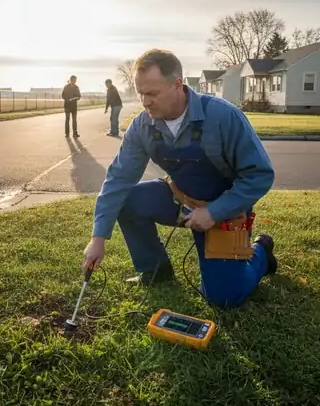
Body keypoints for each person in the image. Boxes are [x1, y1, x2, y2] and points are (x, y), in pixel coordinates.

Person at [81, 48, 278, 308]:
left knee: (225, 297)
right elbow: (118, 180)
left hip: (225, 212)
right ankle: (155, 271)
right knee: (127, 199)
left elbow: (260, 175)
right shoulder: (142, 126)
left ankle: (262, 250)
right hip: (180, 200)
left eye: (152, 93)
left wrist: (214, 212)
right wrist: (98, 239)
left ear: (177, 84)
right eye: (141, 93)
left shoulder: (223, 116)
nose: (145, 101)